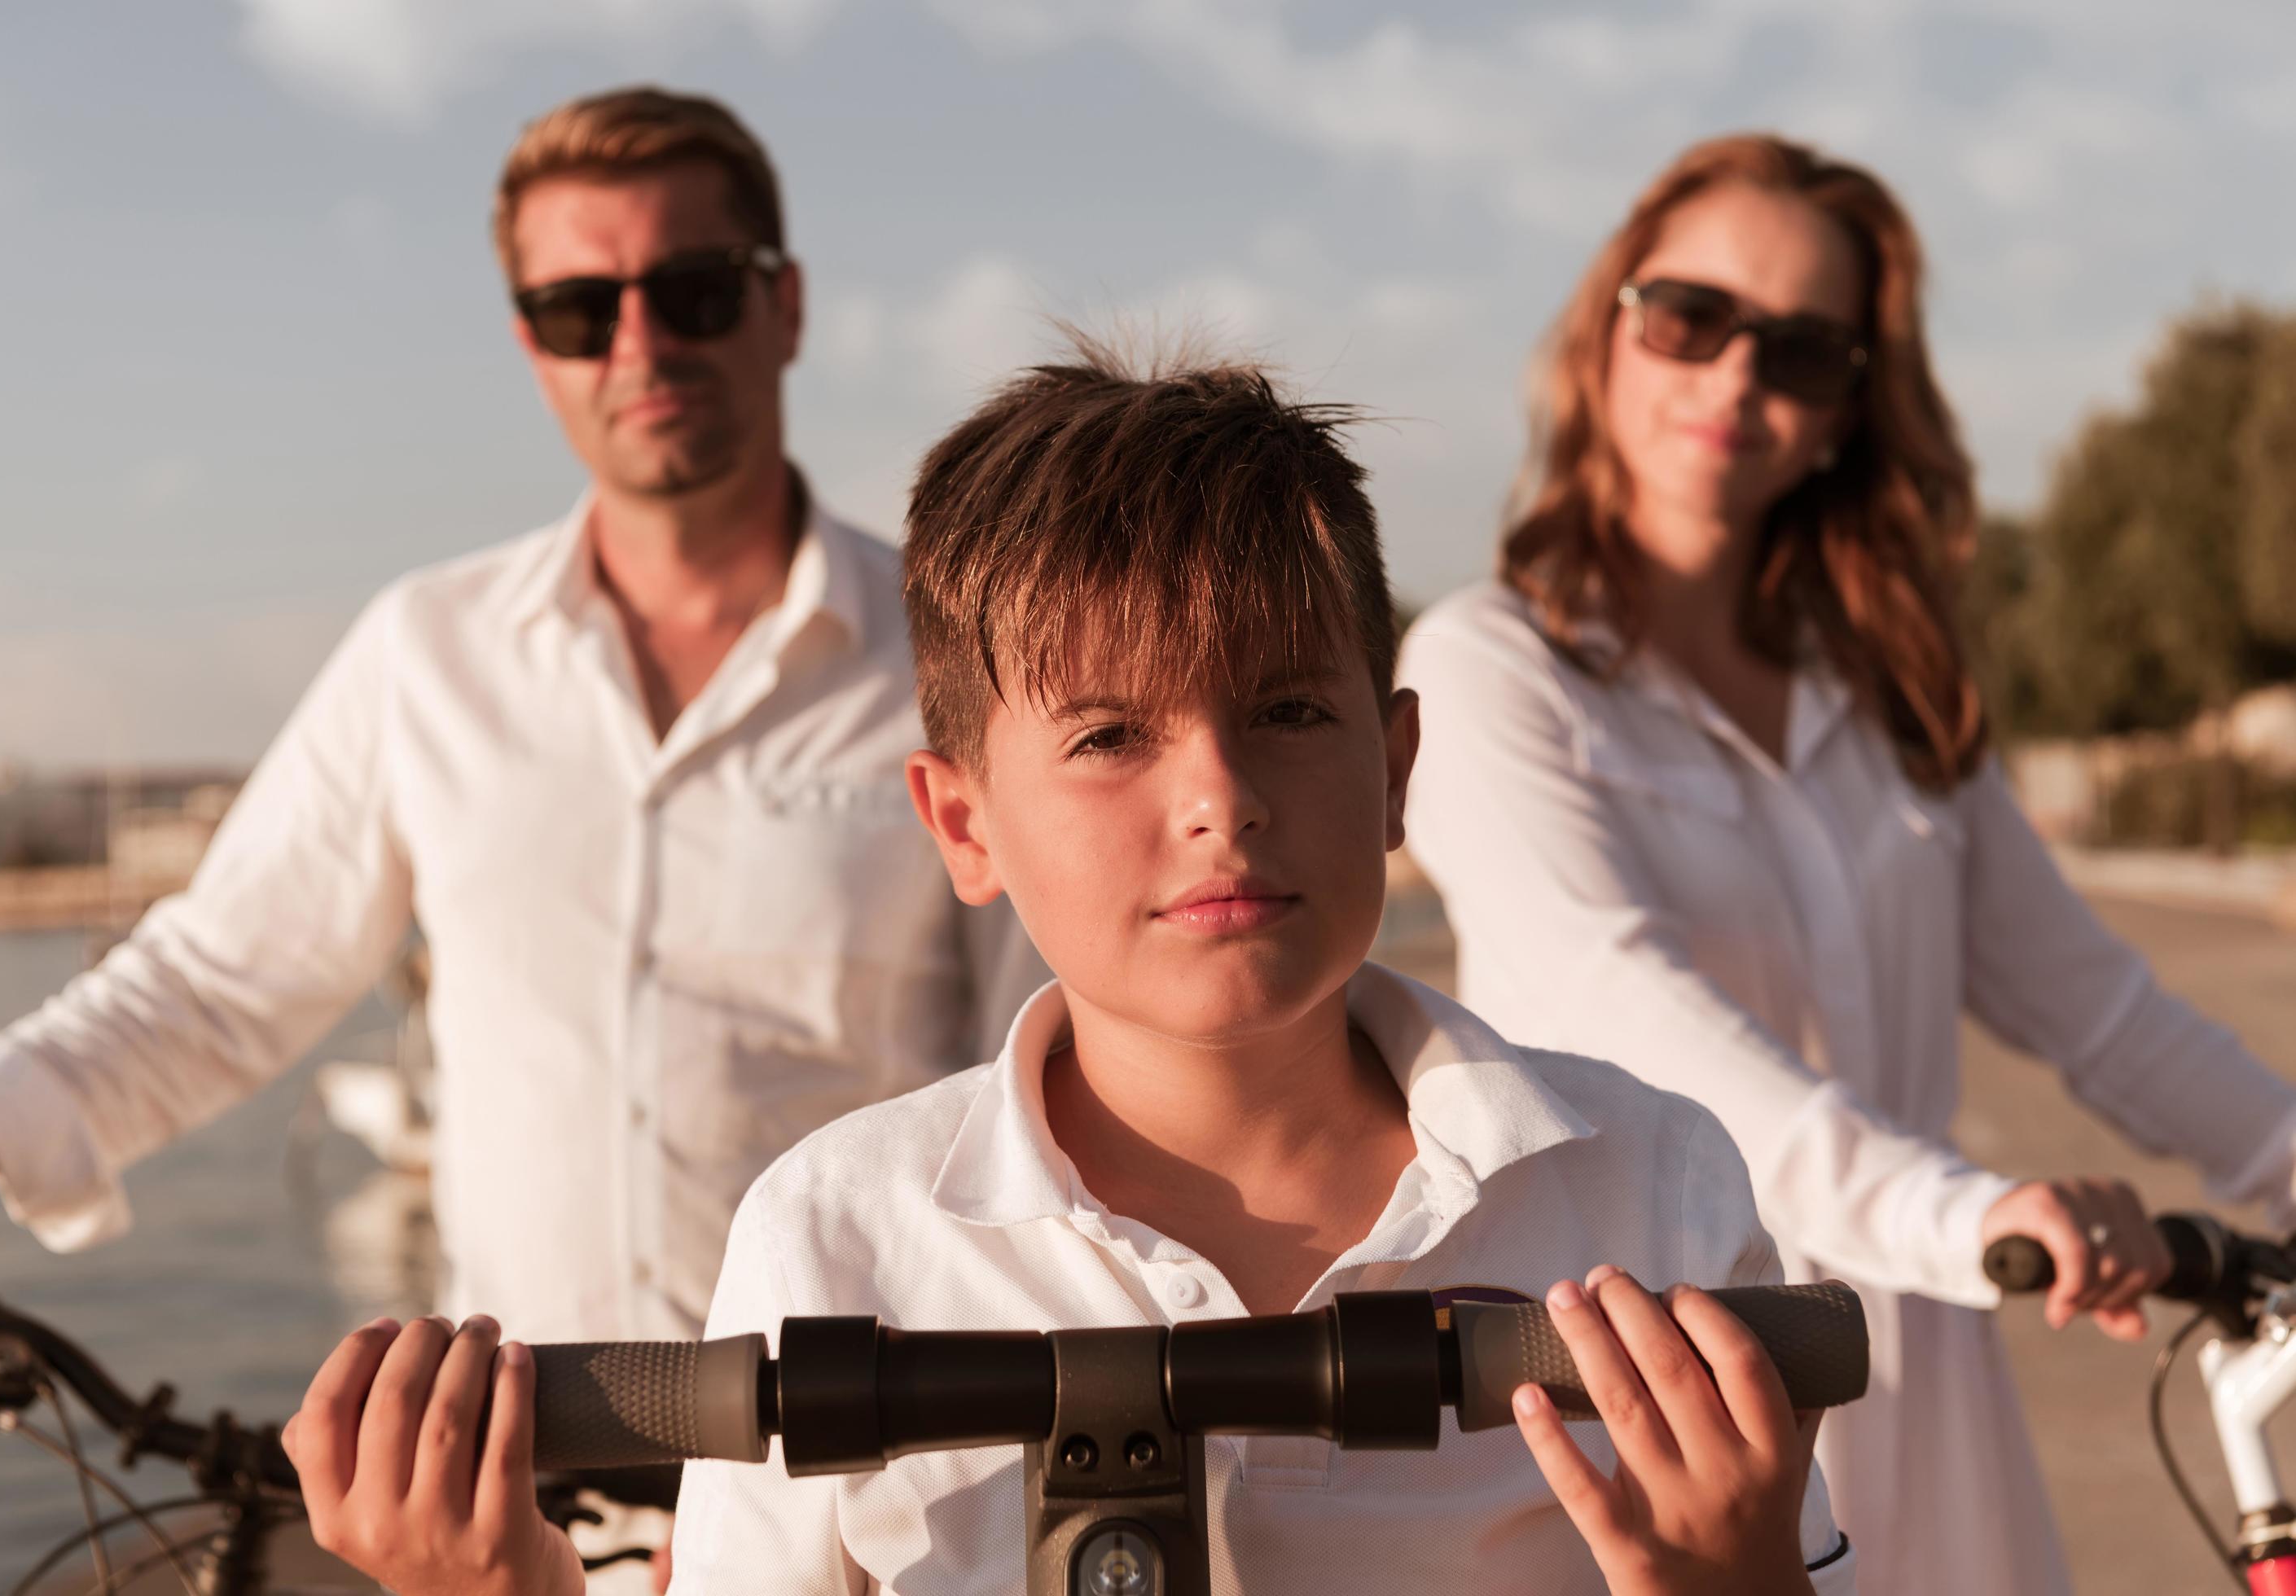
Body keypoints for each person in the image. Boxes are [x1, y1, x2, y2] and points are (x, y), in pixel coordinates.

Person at [279, 336, 1861, 1594]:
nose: (1219, 797)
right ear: (960, 822)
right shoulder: (840, 1232)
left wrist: (1736, 1583)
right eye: (1110, 733)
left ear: (1397, 769)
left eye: (1290, 713)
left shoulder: (1653, 1183)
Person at [0, 86, 1040, 1588]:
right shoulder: (426, 656)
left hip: (879, 1501)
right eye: (579, 308)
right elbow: (218, 979)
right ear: (530, 344)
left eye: (690, 290)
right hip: (517, 1502)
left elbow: (1057, 1056)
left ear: (785, 307)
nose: (640, 344)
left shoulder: (954, 649)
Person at [1397, 133, 2296, 1596]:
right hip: (1659, 1406)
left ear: (1846, 412)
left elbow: (2097, 1007)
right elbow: (1633, 1013)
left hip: (1930, 1374)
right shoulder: (1491, 671)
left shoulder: (1885, 688)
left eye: (1805, 352)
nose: (1736, 377)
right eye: (1691, 316)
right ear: (1605, 329)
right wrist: (1968, 1213)